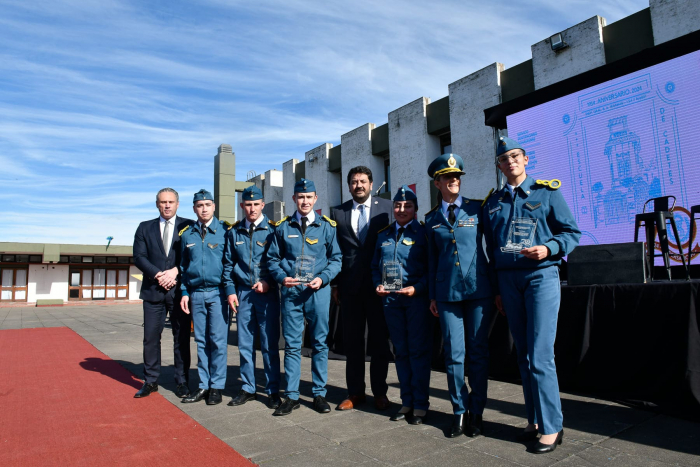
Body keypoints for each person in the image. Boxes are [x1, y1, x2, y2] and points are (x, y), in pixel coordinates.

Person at [482, 136, 580, 453]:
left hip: (541, 276)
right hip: (508, 282)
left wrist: (548, 248)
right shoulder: (493, 202)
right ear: (499, 165)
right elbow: (491, 250)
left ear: (526, 160)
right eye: (504, 158)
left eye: (515, 156)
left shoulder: (546, 192)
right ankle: (535, 420)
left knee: (540, 355)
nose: (510, 161)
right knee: (523, 355)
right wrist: (497, 289)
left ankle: (553, 427)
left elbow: (571, 233)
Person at [425, 153, 494, 438]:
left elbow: (492, 247)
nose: (454, 180)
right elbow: (431, 260)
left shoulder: (478, 209)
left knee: (477, 352)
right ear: (437, 182)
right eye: (448, 177)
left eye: (457, 176)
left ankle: (476, 411)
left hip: (479, 290)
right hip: (446, 293)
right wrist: (432, 295)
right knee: (454, 355)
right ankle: (459, 412)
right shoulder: (430, 219)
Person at [266, 178, 342, 416]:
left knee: (319, 344)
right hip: (292, 293)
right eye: (301, 197)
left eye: (309, 197)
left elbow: (336, 259)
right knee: (292, 346)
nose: (305, 201)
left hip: (318, 292)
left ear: (315, 199)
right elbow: (272, 259)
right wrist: (281, 278)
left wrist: (324, 278)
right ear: (294, 200)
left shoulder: (327, 226)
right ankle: (291, 396)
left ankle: (319, 394)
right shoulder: (283, 227)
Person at [330, 166, 394, 411]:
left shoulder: (388, 208)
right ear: (349, 186)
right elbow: (334, 251)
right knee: (353, 343)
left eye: (363, 181)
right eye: (354, 182)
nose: (359, 185)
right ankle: (355, 393)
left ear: (371, 183)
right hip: (350, 288)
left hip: (380, 286)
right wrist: (335, 284)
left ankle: (380, 393)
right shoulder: (338, 212)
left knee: (379, 343)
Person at [371, 185, 433, 425]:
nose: (401, 209)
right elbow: (374, 267)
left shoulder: (424, 234)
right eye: (398, 205)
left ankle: (420, 404)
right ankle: (406, 402)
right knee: (401, 353)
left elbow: (432, 268)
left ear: (415, 209)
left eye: (407, 206)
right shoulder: (383, 235)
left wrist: (418, 288)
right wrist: (378, 284)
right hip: (391, 301)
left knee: (418, 352)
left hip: (415, 300)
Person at [223, 185, 281, 409]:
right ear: (242, 206)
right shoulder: (234, 232)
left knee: (269, 345)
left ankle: (273, 390)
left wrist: (269, 282)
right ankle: (248, 388)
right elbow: (227, 265)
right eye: (248, 204)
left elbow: (280, 263)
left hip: (267, 294)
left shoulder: (274, 230)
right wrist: (230, 291)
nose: (252, 208)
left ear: (263, 205)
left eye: (256, 204)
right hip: (244, 294)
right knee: (245, 344)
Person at [133, 188, 194, 399]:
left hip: (179, 293)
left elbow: (192, 255)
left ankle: (182, 382)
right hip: (152, 291)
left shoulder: (189, 226)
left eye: (170, 202)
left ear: (178, 204)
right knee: (150, 338)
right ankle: (150, 381)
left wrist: (176, 271)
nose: (167, 205)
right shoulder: (144, 228)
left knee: (181, 338)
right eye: (162, 202)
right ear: (157, 204)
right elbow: (139, 257)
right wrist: (158, 275)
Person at [179, 189, 233, 406]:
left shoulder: (225, 232)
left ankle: (217, 387)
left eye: (207, 204)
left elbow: (229, 264)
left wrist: (229, 291)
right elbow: (183, 267)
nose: (204, 209)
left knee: (218, 342)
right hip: (196, 294)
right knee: (201, 342)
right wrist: (184, 291)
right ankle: (204, 384)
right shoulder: (187, 234)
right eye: (199, 205)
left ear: (214, 207)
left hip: (218, 293)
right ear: (194, 209)